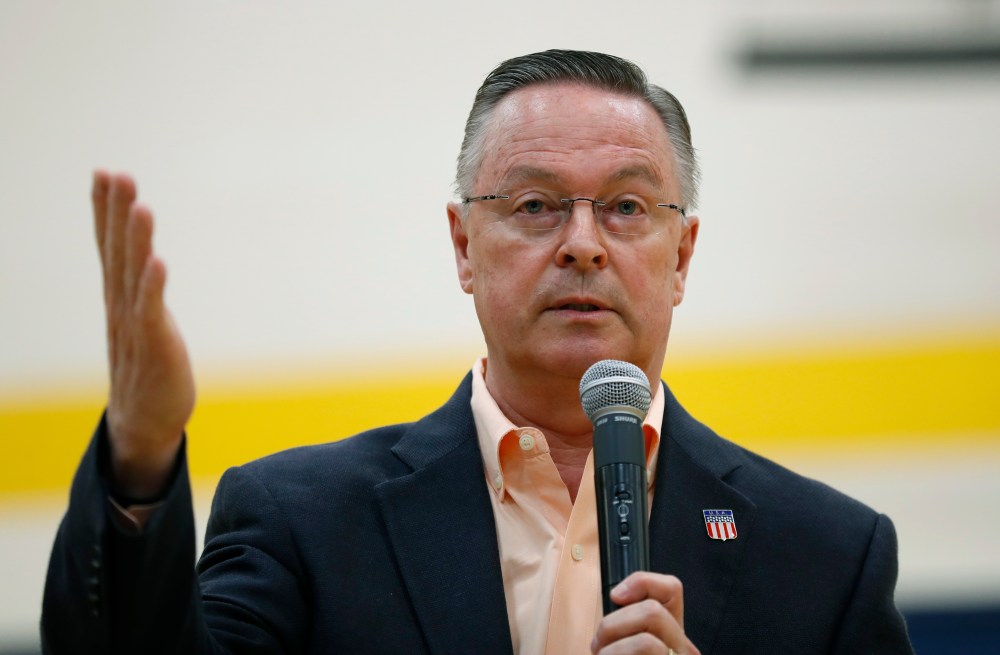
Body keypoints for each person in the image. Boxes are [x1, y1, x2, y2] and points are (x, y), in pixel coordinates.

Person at [42, 50, 913, 654]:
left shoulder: (826, 555)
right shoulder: (300, 522)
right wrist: (141, 456)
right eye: (535, 205)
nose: (582, 243)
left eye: (627, 207)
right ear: (463, 246)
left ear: (680, 256)